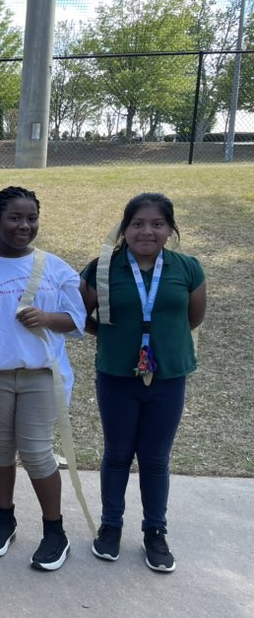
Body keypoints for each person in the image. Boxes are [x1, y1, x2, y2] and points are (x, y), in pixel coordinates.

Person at [80, 193, 206, 573]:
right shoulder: (103, 268)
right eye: (137, 224)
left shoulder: (187, 268)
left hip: (167, 378)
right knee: (117, 453)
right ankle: (111, 526)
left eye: (157, 224)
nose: (147, 231)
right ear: (124, 228)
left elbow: (193, 318)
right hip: (117, 376)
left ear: (170, 229)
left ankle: (155, 531)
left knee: (155, 458)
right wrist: (113, 338)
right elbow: (82, 317)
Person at [0, 187, 86, 572]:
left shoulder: (54, 266)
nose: (24, 225)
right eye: (15, 218)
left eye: (31, 218)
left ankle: (55, 531)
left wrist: (47, 318)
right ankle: (5, 519)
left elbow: (78, 320)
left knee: (35, 451)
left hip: (42, 374)